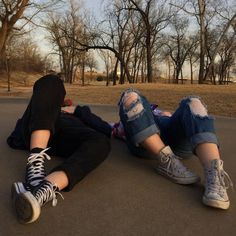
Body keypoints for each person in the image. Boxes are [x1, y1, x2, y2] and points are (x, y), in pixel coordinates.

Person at [7, 74, 111, 224]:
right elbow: (23, 123)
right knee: (52, 80)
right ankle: (35, 169)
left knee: (102, 142)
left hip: (65, 135)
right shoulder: (42, 103)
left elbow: (105, 129)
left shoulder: (79, 113)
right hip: (36, 133)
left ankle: (42, 190)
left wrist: (78, 111)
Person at [113, 88, 233, 210]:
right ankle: (168, 161)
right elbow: (106, 126)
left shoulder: (164, 115)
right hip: (147, 145)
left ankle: (215, 174)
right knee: (130, 95)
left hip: (176, 140)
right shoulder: (132, 110)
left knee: (194, 101)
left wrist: (166, 115)